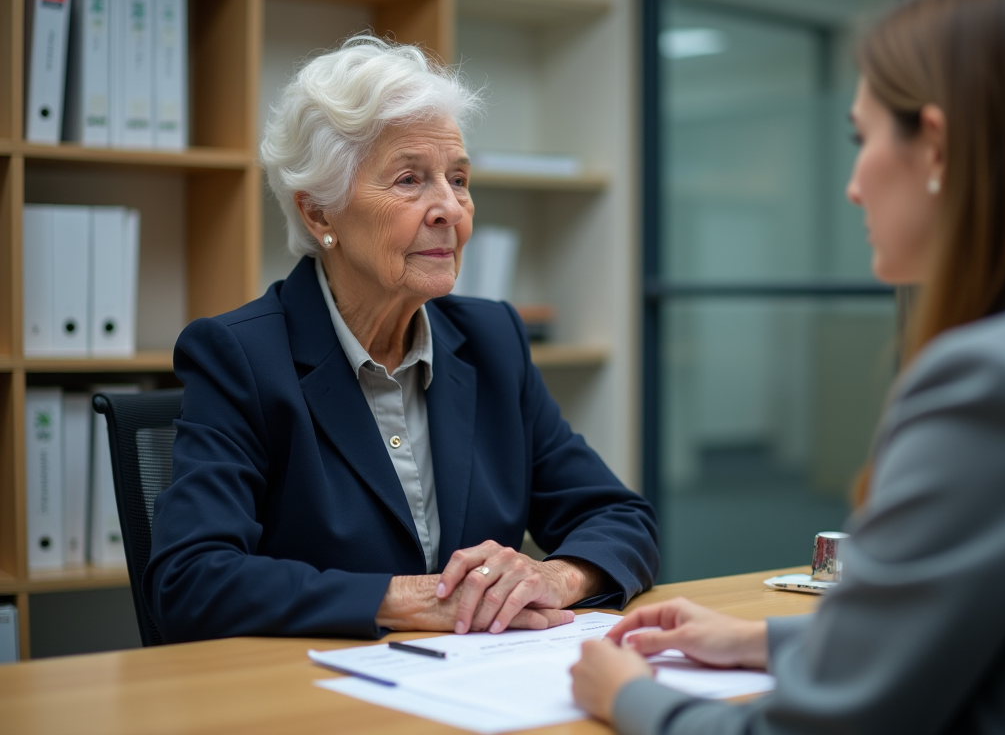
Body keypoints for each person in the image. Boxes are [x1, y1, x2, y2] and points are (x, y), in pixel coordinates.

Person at [571, 0, 1005, 735]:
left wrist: (628, 695)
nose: (853, 185)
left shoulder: (998, 384)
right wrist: (758, 640)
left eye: (861, 137)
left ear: (935, 148)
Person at [145, 36, 658, 643]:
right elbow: (190, 580)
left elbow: (620, 516)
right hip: (311, 686)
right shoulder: (241, 357)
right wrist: (411, 599)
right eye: (410, 180)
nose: (450, 209)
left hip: (476, 679)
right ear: (319, 213)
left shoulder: (492, 338)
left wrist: (553, 576)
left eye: (459, 179)